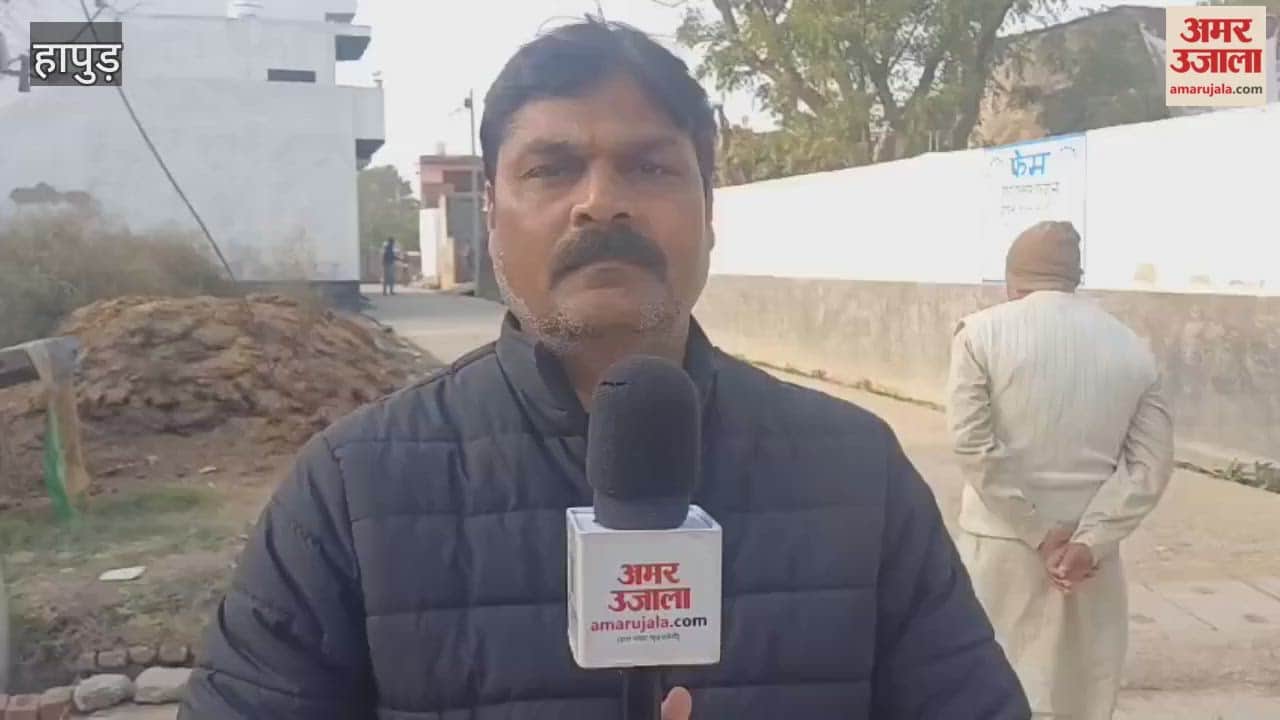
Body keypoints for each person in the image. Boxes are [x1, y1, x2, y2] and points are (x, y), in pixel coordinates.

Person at [181, 19, 1028, 720]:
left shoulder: (857, 472)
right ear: (492, 215)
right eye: (551, 169)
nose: (600, 201)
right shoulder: (350, 488)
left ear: (710, 212)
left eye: (649, 166)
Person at [946, 221, 1175, 720]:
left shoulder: (980, 334)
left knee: (990, 687)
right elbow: (1151, 464)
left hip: (999, 545)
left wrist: (1039, 533)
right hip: (1089, 563)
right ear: (1075, 278)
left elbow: (971, 442)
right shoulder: (1131, 347)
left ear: (1014, 280)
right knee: (1079, 695)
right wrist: (1089, 541)